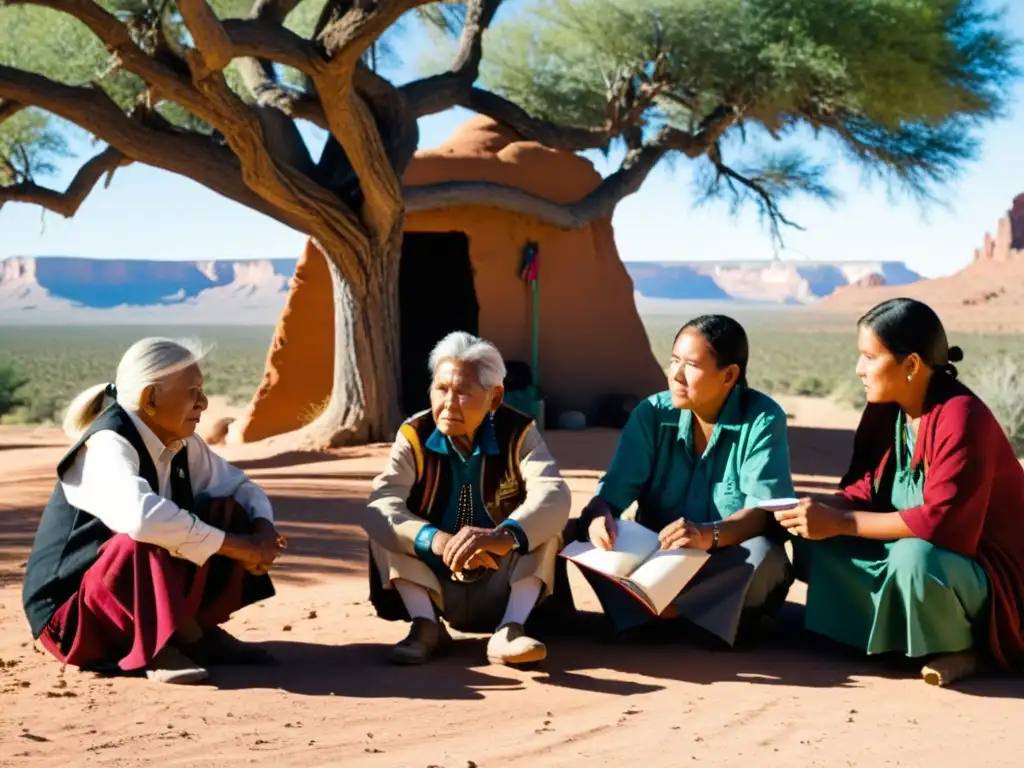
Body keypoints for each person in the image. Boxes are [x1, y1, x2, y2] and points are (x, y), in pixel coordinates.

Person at [776, 298, 1024, 686]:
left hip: (984, 572)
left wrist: (841, 521)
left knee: (915, 561)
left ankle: (967, 648)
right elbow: (863, 489)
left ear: (911, 365)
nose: (859, 369)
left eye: (870, 357)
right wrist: (813, 512)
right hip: (913, 544)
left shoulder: (961, 416)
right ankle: (891, 639)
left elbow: (942, 521)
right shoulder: (887, 408)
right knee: (813, 538)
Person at [22, 338, 285, 685]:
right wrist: (237, 546)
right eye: (193, 391)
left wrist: (262, 531)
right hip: (71, 621)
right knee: (141, 537)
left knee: (226, 511)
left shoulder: (182, 443)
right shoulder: (106, 443)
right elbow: (141, 518)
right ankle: (156, 648)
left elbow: (240, 487)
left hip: (119, 603)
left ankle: (197, 635)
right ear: (150, 398)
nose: (203, 403)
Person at [571, 315, 795, 646]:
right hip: (657, 560)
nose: (675, 375)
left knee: (762, 555)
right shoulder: (651, 413)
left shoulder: (762, 418)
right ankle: (696, 616)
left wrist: (707, 535)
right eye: (674, 360)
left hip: (724, 559)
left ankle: (662, 614)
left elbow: (763, 512)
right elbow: (612, 493)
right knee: (581, 536)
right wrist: (599, 516)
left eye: (691, 364)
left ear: (729, 375)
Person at [362, 331, 572, 666]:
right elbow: (382, 503)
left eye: (462, 393)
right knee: (384, 523)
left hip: (501, 583)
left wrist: (505, 536)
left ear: (495, 396)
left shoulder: (519, 434)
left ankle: (510, 630)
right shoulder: (414, 435)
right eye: (441, 389)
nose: (447, 403)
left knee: (548, 527)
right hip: (435, 580)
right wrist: (436, 541)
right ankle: (426, 626)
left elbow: (552, 492)